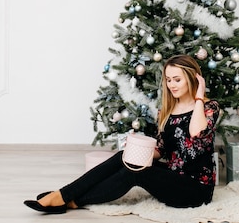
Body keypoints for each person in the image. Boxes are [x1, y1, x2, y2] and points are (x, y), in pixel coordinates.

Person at [24, 54, 221, 214]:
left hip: (196, 190)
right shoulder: (167, 111)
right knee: (125, 158)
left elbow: (196, 131)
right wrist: (135, 150)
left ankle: (70, 200)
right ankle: (65, 194)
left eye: (177, 79)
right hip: (172, 177)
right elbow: (161, 150)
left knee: (136, 173)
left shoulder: (207, 107)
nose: (171, 85)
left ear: (193, 78)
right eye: (168, 80)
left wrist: (199, 95)